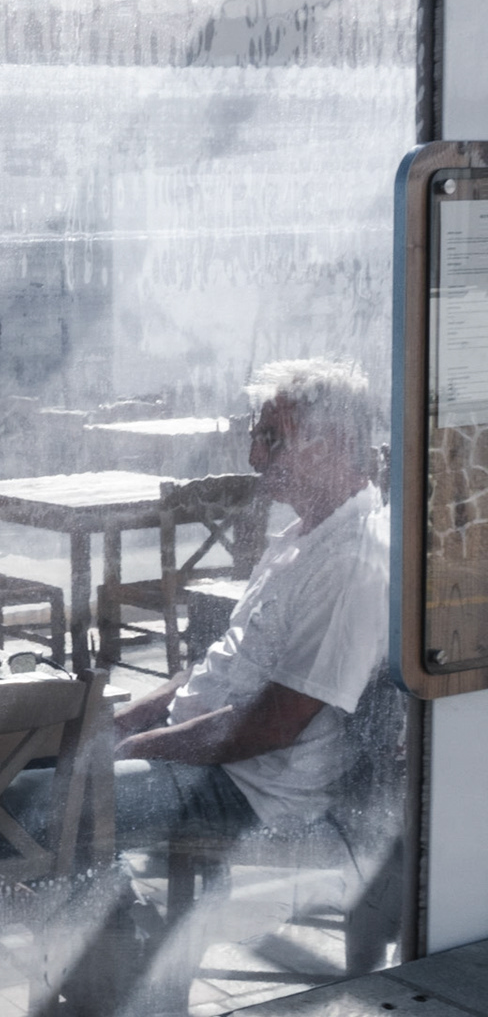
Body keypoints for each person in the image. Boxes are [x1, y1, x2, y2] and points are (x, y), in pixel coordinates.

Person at [106, 357, 390, 838]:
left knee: (25, 809)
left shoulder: (350, 562)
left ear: (332, 446)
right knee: (23, 761)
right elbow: (231, 660)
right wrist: (134, 716)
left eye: (272, 440)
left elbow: (273, 725)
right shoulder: (303, 535)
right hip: (202, 756)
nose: (255, 458)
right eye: (256, 437)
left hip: (251, 791)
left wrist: (140, 747)